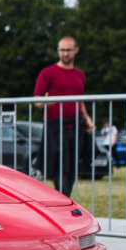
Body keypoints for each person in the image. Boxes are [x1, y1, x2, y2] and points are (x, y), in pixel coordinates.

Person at [34, 36, 94, 196]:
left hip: (75, 126)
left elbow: (79, 100)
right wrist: (47, 102)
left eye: (68, 50)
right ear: (58, 51)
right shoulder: (48, 73)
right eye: (62, 50)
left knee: (72, 166)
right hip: (55, 126)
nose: (65, 53)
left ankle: (64, 201)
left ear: (76, 50)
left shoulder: (80, 75)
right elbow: (37, 101)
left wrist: (87, 118)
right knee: (60, 166)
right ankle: (62, 200)